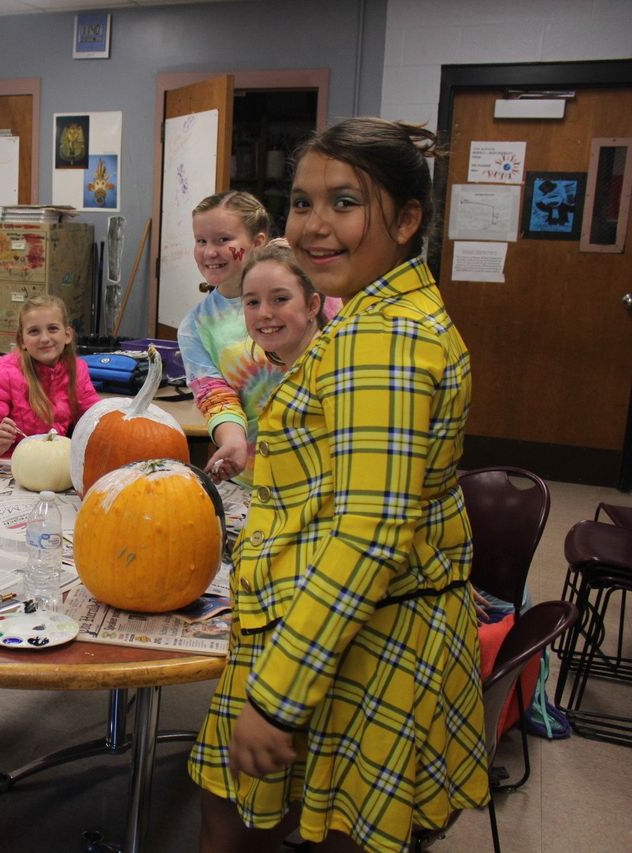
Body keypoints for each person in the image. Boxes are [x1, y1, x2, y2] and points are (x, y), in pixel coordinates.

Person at [189, 118, 486, 853]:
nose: (315, 227)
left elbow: (369, 532)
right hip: (366, 616)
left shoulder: (380, 337)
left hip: (364, 632)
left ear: (407, 218)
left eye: (345, 202)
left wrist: (276, 697)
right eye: (302, 202)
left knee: (257, 819)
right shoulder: (387, 310)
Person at [175, 191, 280, 485]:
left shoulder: (299, 295)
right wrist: (234, 440)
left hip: (322, 472)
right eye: (201, 241)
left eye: (223, 240)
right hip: (253, 476)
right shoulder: (195, 326)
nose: (210, 252)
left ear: (257, 243)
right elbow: (215, 395)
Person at [0, 294, 101, 460]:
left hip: (56, 462)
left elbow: (96, 417)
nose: (45, 339)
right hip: (12, 466)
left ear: (67, 335)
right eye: (34, 331)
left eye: (53, 329)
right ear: (22, 341)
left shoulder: (77, 369)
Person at [238, 242, 326, 369]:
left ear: (312, 305)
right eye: (253, 302)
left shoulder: (332, 368)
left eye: (280, 299)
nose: (263, 313)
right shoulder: (301, 373)